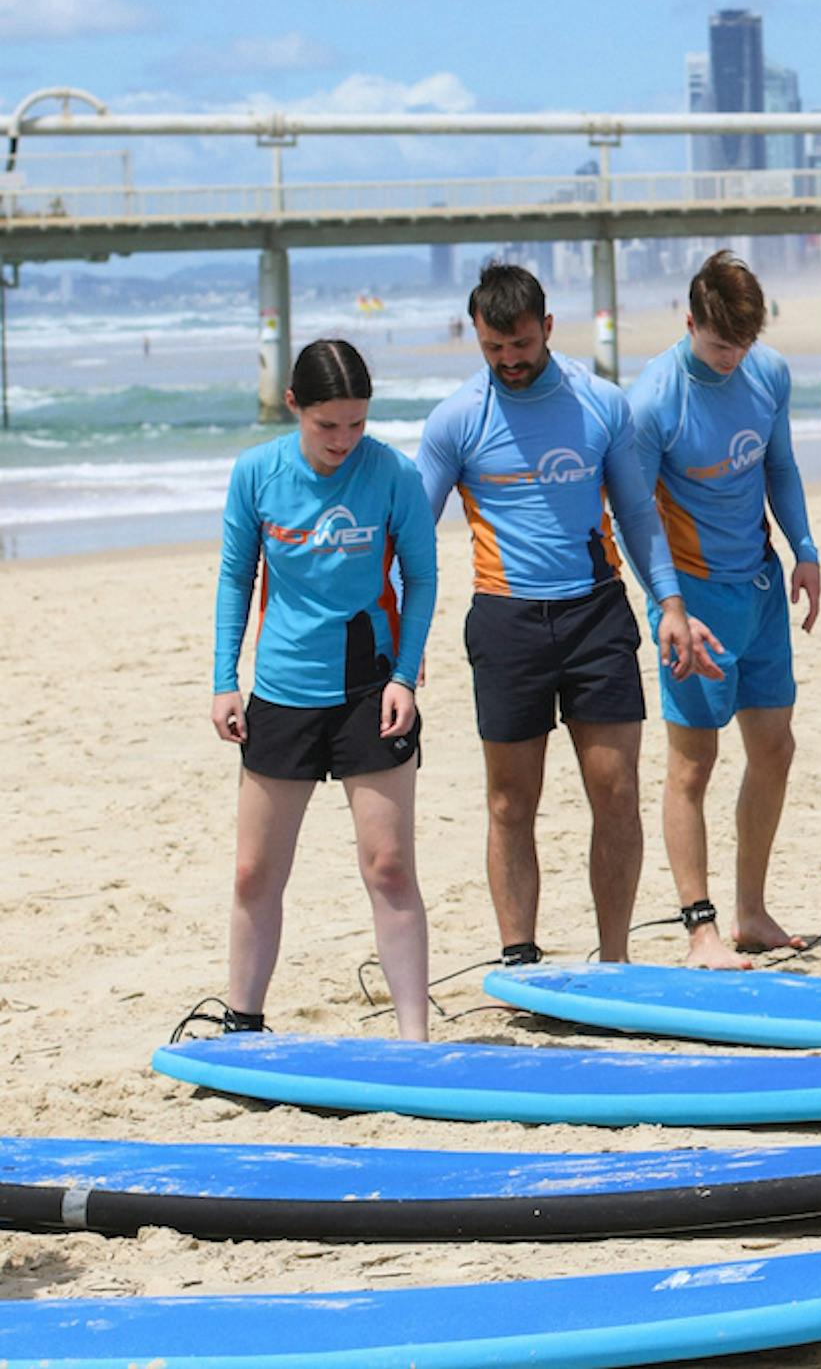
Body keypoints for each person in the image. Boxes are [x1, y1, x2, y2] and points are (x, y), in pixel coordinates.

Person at [418, 264, 721, 968]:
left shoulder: (599, 403)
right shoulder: (458, 419)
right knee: (508, 801)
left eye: (520, 344)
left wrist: (671, 603)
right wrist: (401, 636)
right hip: (505, 619)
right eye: (494, 349)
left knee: (615, 791)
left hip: (595, 615)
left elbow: (638, 513)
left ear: (548, 328)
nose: (509, 361)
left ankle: (613, 960)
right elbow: (412, 532)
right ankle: (520, 956)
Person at [211, 339, 437, 1040]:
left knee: (390, 866)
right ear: (293, 408)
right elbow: (235, 577)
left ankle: (415, 1038)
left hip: (370, 687)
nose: (344, 441)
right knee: (254, 872)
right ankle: (243, 1022)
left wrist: (405, 672)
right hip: (281, 689)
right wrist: (225, 680)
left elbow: (422, 580)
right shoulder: (256, 474)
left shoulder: (394, 475)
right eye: (327, 425)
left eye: (357, 425)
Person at [626, 251, 819, 968]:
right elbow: (634, 514)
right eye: (718, 344)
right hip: (693, 600)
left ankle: (750, 911)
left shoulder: (766, 372)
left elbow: (780, 466)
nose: (733, 357)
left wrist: (805, 547)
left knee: (775, 747)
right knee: (693, 762)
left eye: (743, 342)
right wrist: (669, 605)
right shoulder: (653, 401)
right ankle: (699, 926)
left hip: (762, 590)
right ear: (690, 323)